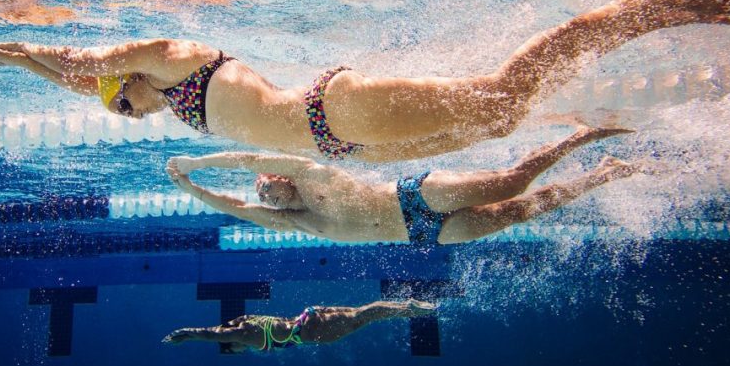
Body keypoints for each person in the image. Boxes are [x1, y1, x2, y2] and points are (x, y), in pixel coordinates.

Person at [0, 0, 730, 162]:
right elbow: (90, 80)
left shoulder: (167, 60)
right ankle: (632, 24)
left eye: (121, 106)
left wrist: (19, 51)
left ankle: (647, 8)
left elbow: (86, 64)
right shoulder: (163, 97)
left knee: (502, 94)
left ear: (128, 82)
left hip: (335, 114)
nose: (128, 114)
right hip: (346, 142)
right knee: (503, 117)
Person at [165, 126, 637, 245]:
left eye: (264, 187)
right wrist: (192, 191)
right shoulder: (299, 222)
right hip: (424, 234)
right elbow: (232, 207)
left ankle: (580, 137)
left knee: (512, 181)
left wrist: (195, 162)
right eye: (261, 198)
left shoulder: (307, 173)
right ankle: (603, 174)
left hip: (415, 195)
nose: (262, 196)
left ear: (278, 176)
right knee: (522, 210)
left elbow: (247, 156)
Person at [162, 299, 438, 352]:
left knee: (362, 316)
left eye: (231, 348)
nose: (235, 350)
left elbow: (212, 335)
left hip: (314, 331)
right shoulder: (247, 323)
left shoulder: (244, 335)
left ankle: (408, 309)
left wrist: (184, 335)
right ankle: (405, 307)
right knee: (361, 313)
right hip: (310, 316)